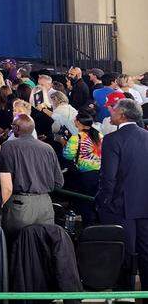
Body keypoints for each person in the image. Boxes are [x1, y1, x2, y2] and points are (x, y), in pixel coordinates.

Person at [96, 99, 148, 285]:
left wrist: (103, 201)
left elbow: (108, 177)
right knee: (146, 255)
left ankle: (126, 296)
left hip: (120, 207)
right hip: (144, 205)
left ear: (123, 115)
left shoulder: (112, 139)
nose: (110, 111)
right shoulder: (146, 135)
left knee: (124, 256)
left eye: (114, 109)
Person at [0, 114, 62, 235]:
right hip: (46, 205)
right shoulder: (48, 148)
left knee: (17, 247)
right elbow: (59, 182)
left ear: (16, 129)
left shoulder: (8, 146)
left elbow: (5, 181)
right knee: (43, 247)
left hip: (19, 206)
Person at [62, 110, 103, 194]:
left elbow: (68, 156)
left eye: (75, 119)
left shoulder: (76, 138)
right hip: (100, 172)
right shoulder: (100, 135)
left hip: (85, 173)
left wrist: (63, 143)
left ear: (78, 122)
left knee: (84, 200)